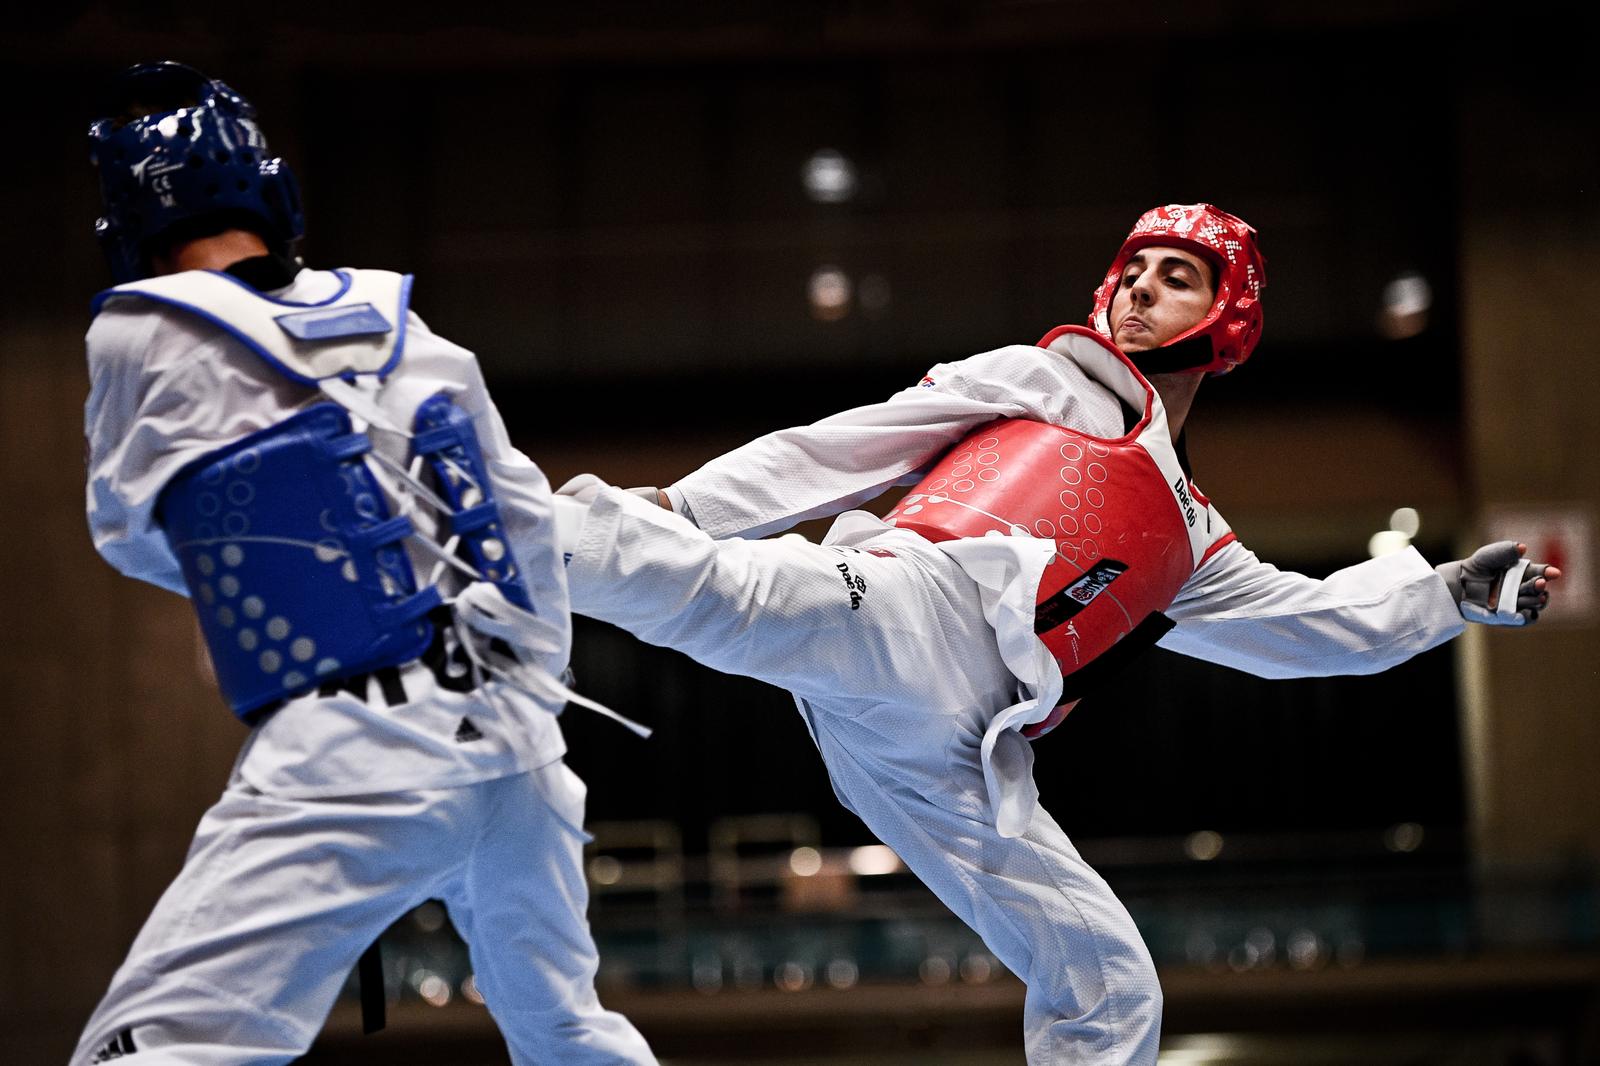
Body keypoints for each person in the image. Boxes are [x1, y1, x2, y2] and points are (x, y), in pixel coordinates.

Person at [554, 203, 1559, 1064]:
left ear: (1229, 316)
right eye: (1133, 273)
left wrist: (1446, 596)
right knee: (725, 590)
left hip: (952, 755)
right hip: (911, 607)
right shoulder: (1045, 380)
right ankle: (498, 539)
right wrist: (685, 507)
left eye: (1176, 279)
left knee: (1108, 977)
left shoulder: (1194, 541)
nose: (1140, 292)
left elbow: (1315, 624)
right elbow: (841, 449)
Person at [74, 61, 654, 1065]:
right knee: (566, 1033)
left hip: (357, 747)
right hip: (520, 750)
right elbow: (524, 530)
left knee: (154, 1049)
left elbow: (125, 526)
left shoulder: (138, 333)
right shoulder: (411, 329)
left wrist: (278, 576)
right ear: (273, 190)